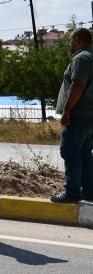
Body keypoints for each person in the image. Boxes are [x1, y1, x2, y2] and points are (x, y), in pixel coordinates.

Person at [51, 28, 93, 203]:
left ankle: (72, 192)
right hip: (89, 115)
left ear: (77, 40)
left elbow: (78, 84)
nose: (69, 44)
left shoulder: (82, 57)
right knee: (84, 153)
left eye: (70, 40)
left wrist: (67, 110)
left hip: (78, 114)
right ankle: (90, 192)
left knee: (69, 151)